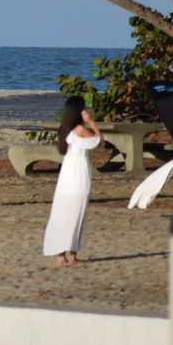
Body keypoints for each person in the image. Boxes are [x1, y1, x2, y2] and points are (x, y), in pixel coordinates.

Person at [43, 96, 102, 267]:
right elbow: (99, 141)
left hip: (67, 172)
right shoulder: (79, 129)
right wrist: (91, 122)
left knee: (62, 212)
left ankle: (61, 256)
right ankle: (72, 256)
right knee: (77, 213)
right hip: (78, 172)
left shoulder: (64, 129)